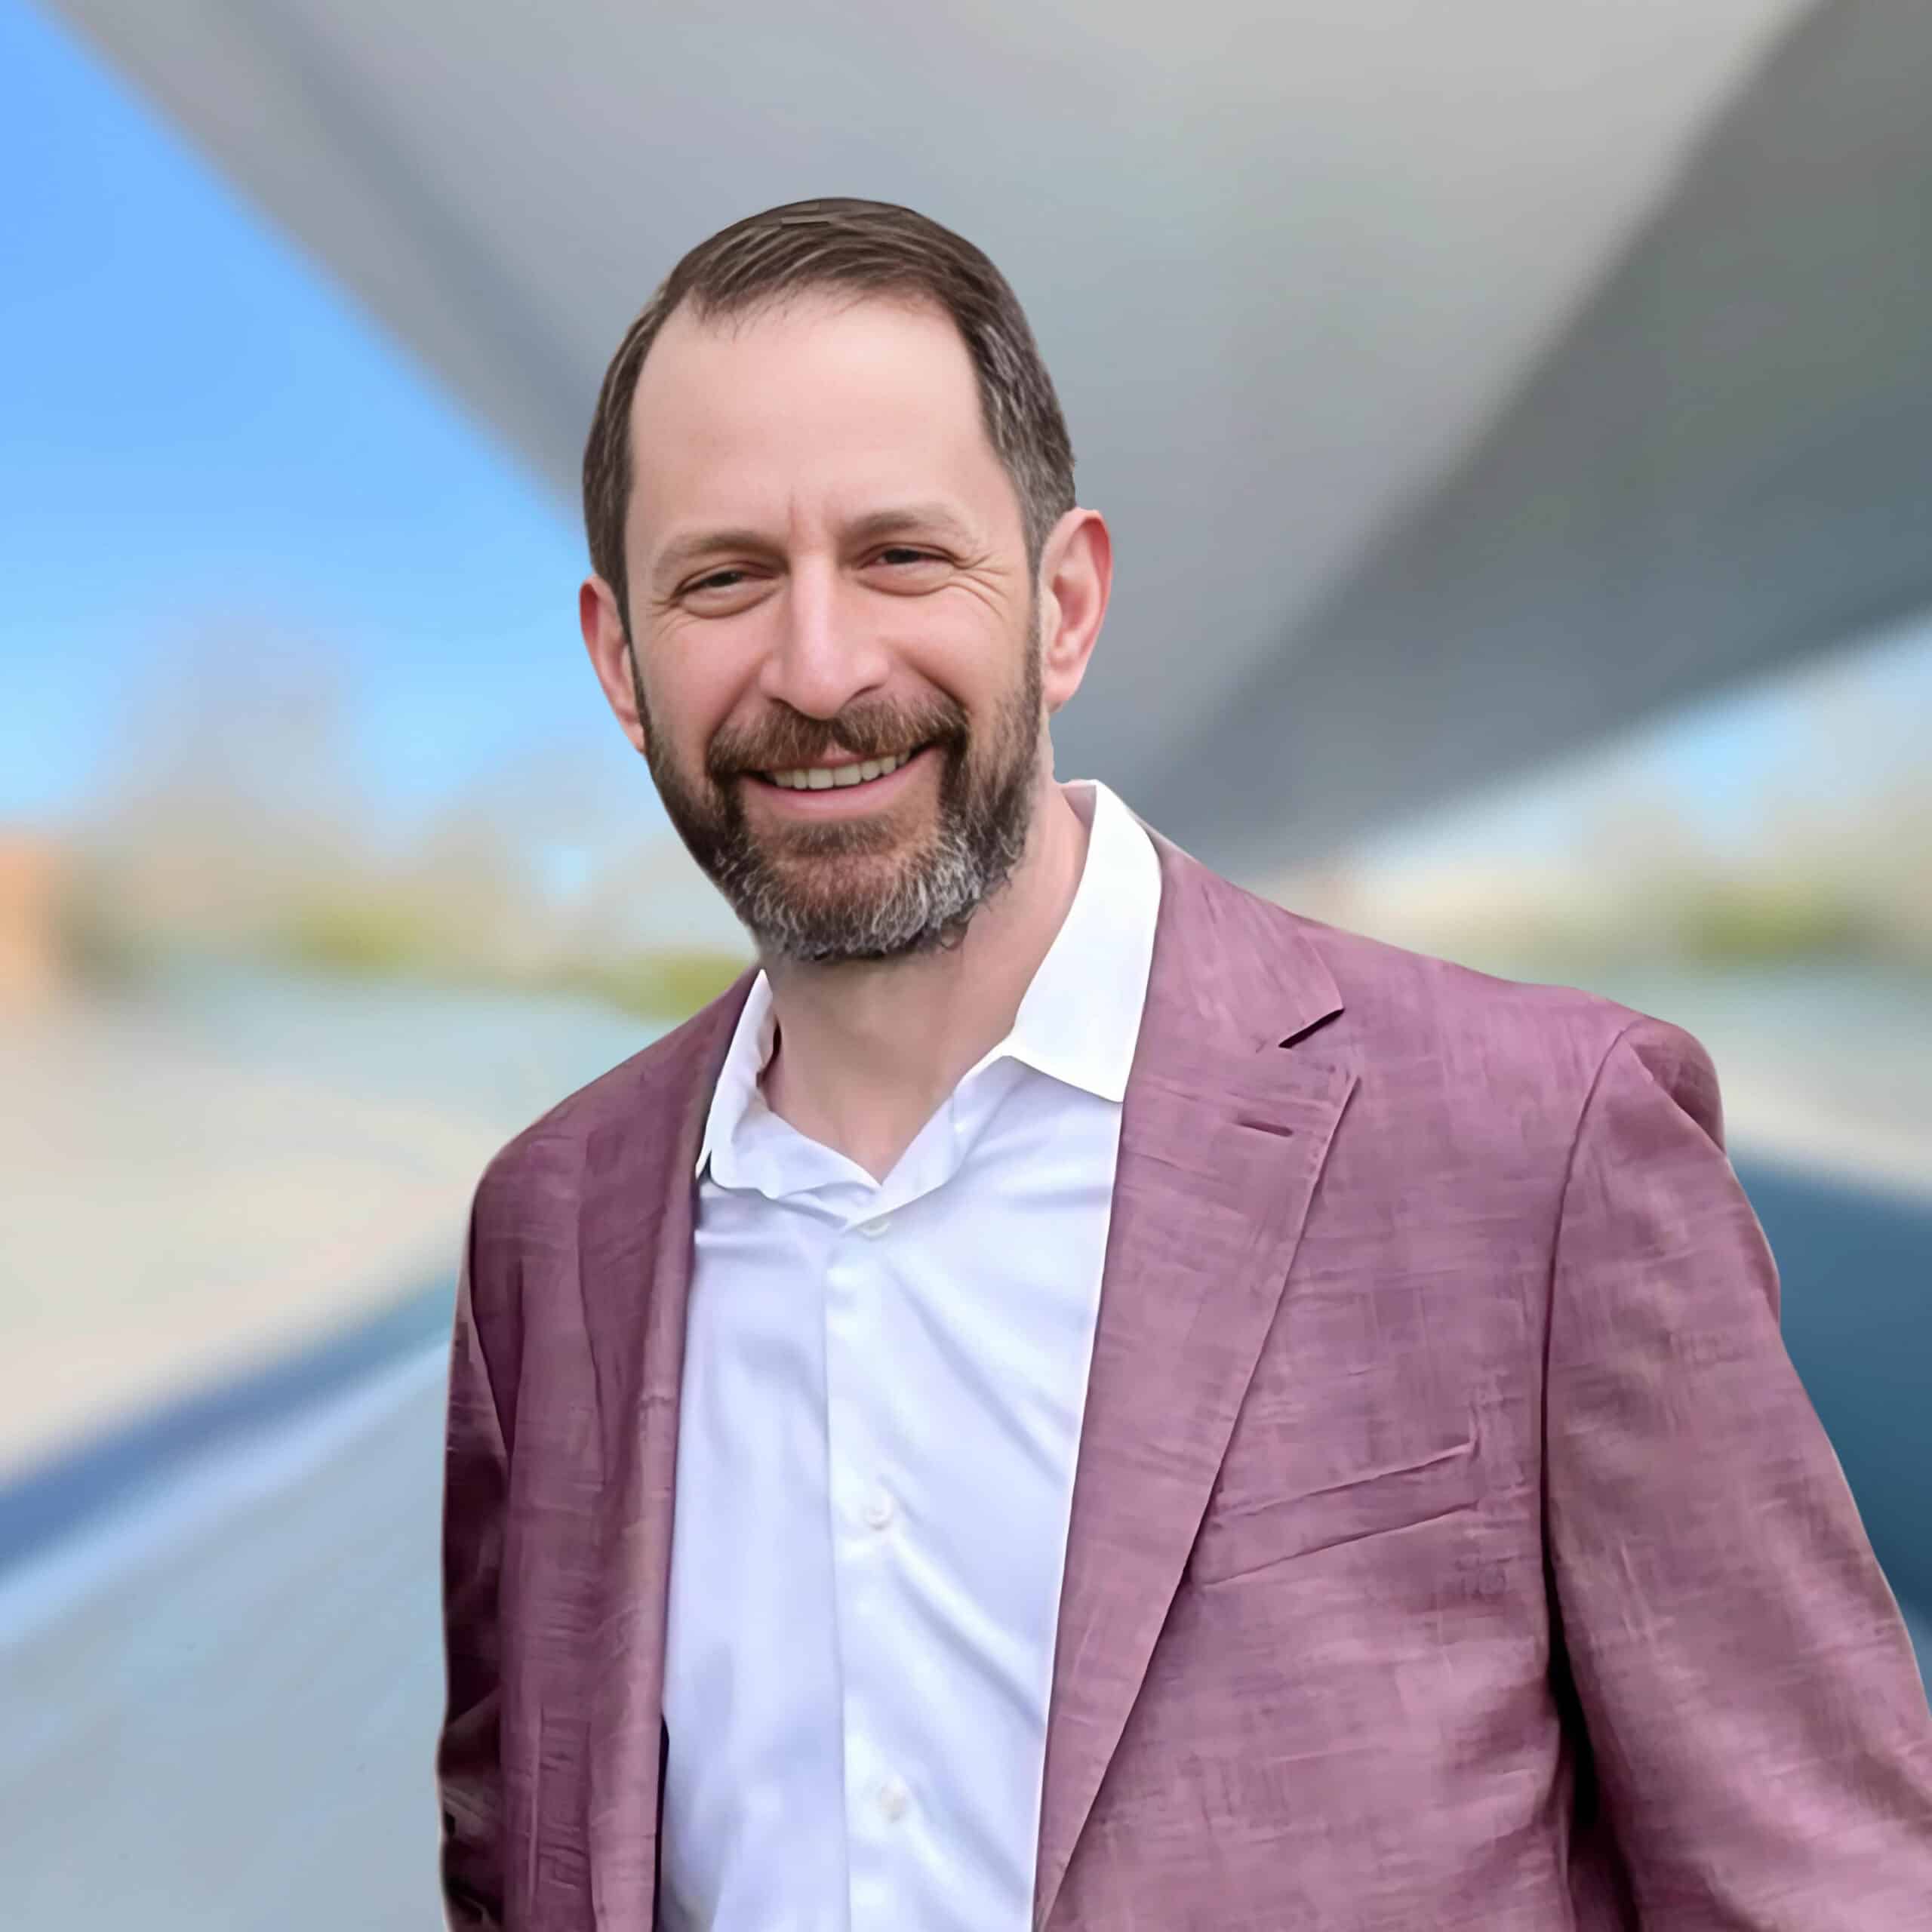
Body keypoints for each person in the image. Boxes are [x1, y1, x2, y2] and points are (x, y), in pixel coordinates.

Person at [435, 198, 1932, 1930]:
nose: (819, 665)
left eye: (902, 556)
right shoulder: (549, 1233)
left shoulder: (1539, 1146)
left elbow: (1828, 1887)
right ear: (620, 660)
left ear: (1062, 605)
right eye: (723, 577)